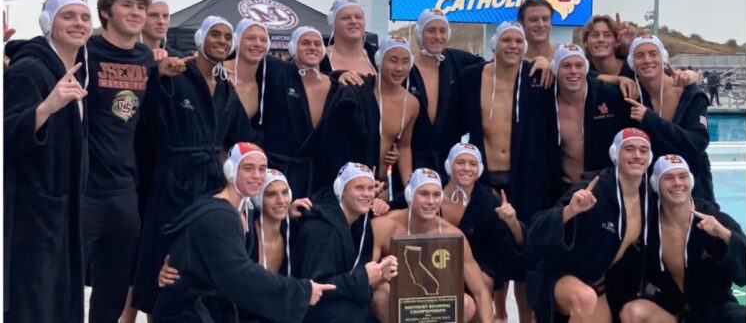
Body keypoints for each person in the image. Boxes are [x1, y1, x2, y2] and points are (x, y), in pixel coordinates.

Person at [132, 15, 253, 315]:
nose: (222, 41)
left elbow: (240, 139)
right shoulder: (176, 74)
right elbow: (143, 120)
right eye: (215, 34)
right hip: (172, 180)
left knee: (200, 261)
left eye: (227, 37)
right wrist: (158, 75)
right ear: (199, 39)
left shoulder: (226, 89)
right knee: (163, 260)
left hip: (210, 184)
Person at [82, 0, 188, 322]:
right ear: (105, 12)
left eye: (140, 7)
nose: (136, 13)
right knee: (66, 274)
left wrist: (163, 76)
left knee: (114, 281)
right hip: (85, 187)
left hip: (124, 186)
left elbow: (145, 116)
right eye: (127, 5)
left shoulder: (145, 57)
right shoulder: (88, 51)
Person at [151, 142, 335, 322]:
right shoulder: (219, 216)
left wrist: (286, 210)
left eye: (262, 169)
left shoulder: (243, 210)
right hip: (186, 313)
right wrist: (301, 292)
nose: (257, 175)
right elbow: (238, 275)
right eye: (248, 168)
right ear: (230, 171)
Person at [459, 21, 557, 323]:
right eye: (507, 40)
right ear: (494, 44)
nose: (513, 46)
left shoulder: (536, 76)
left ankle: (525, 319)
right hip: (486, 180)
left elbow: (579, 76)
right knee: (491, 254)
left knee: (525, 252)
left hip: (525, 178)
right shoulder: (473, 77)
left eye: (518, 41)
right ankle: (499, 315)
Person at [4, 0, 91, 323]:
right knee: (34, 307)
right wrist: (46, 107)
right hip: (30, 218)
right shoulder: (29, 70)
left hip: (62, 213)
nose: (78, 23)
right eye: (67, 16)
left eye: (83, 17)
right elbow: (5, 137)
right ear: (47, 23)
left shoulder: (74, 71)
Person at [527, 128, 654, 323]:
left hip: (598, 285)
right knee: (585, 298)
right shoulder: (593, 190)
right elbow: (535, 231)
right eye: (629, 149)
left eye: (643, 150)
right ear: (615, 154)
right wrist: (569, 211)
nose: (637, 155)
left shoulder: (649, 198)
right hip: (560, 277)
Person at [620, 154, 746, 323]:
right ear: (655, 183)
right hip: (673, 311)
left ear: (691, 181)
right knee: (632, 312)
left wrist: (725, 235)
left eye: (683, 176)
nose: (678, 183)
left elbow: (744, 275)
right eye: (669, 178)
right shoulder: (647, 225)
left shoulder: (716, 220)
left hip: (714, 310)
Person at [369, 168, 495, 322]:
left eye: (436, 195)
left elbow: (480, 292)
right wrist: (383, 274)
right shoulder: (384, 226)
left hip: (436, 301)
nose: (431, 201)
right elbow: (366, 278)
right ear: (410, 195)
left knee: (466, 304)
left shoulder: (452, 234)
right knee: (381, 294)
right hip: (399, 301)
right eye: (424, 194)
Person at [306, 36, 419, 194]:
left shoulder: (412, 103)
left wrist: (409, 189)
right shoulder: (355, 90)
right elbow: (332, 142)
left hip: (381, 187)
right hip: (347, 183)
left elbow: (404, 146)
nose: (399, 68)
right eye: (393, 60)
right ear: (379, 61)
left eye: (405, 61)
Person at [292, 163, 398, 323]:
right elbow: (316, 287)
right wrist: (363, 278)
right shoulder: (321, 230)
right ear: (340, 190)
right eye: (359, 188)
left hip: (341, 308)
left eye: (370, 188)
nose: (367, 194)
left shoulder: (360, 224)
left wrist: (381, 275)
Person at [625, 35, 714, 202]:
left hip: (691, 186)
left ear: (663, 59)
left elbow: (697, 143)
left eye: (653, 54)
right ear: (631, 63)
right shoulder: (632, 95)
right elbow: (592, 75)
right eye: (639, 55)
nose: (647, 60)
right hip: (651, 188)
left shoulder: (690, 94)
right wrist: (616, 78)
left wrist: (650, 119)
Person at [439, 143, 526, 313]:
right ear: (449, 165)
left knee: (484, 279)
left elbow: (516, 246)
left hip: (471, 267)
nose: (466, 168)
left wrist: (512, 222)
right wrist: (381, 204)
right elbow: (399, 206)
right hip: (431, 262)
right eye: (460, 162)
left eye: (472, 164)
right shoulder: (431, 191)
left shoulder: (488, 202)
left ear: (479, 170)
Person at [261, 26, 338, 198]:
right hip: (279, 174)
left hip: (320, 178)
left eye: (317, 43)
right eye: (305, 43)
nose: (312, 47)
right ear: (292, 48)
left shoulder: (338, 87)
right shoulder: (276, 73)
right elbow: (246, 58)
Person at [406, 9, 484, 175]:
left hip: (450, 157)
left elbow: (495, 68)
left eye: (442, 31)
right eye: (431, 30)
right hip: (412, 156)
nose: (438, 36)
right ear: (420, 34)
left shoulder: (459, 60)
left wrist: (539, 60)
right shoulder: (405, 67)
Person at [549, 43, 631, 195]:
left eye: (578, 65)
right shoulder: (546, 101)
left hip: (602, 188)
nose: (573, 71)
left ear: (586, 69)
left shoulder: (610, 96)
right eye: (566, 65)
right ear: (555, 70)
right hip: (563, 189)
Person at [320, 0, 377, 75]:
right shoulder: (318, 57)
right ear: (333, 23)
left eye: (358, 17)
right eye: (345, 18)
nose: (353, 21)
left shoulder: (380, 58)